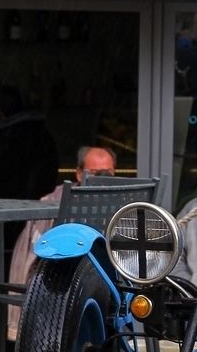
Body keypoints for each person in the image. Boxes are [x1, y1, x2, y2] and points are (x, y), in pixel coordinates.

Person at [6, 146, 116, 341]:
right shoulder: (52, 203)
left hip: (112, 289)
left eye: (107, 173)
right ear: (79, 173)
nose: (101, 179)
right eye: (95, 173)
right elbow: (30, 259)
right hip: (63, 289)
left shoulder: (124, 205)